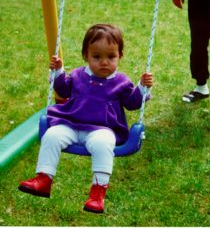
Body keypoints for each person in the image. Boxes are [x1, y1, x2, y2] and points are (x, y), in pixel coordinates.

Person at [18, 24, 153, 213]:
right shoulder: (78, 75)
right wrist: (59, 72)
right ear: (86, 56)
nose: (104, 62)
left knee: (103, 144)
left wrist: (141, 88)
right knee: (52, 136)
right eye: (97, 57)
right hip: (70, 124)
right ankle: (43, 179)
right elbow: (63, 90)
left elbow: (132, 103)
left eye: (111, 57)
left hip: (102, 129)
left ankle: (98, 193)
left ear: (119, 56)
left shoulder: (121, 81)